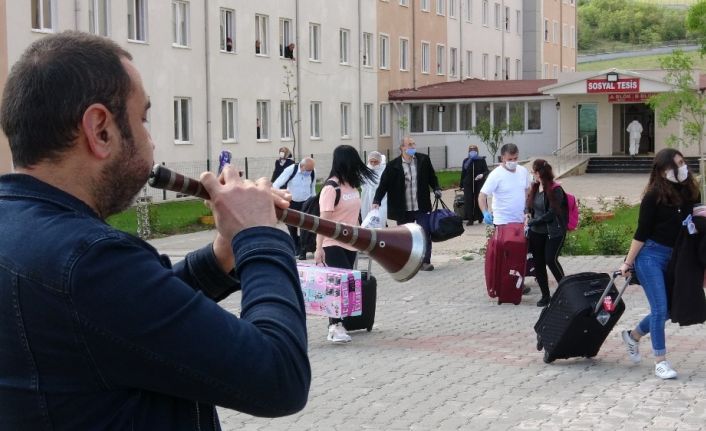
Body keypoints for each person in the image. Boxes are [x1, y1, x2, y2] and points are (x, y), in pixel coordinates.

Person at [0, 32, 310, 429]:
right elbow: (279, 376)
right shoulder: (87, 260)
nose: (150, 142)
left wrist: (220, 257)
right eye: (142, 119)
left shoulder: (28, 236)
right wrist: (261, 237)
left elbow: (125, 319)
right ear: (100, 129)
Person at [619, 148, 700, 380]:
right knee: (660, 308)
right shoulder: (653, 195)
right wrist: (628, 262)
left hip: (677, 257)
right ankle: (660, 362)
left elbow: (699, 222)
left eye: (683, 162)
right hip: (650, 256)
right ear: (664, 171)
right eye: (677, 165)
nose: (682, 167)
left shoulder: (692, 191)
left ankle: (632, 336)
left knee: (669, 309)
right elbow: (641, 233)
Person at [314, 145, 376, 343]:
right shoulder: (330, 189)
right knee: (338, 287)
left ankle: (344, 322)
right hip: (333, 244)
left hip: (352, 243)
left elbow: (355, 217)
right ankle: (334, 326)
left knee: (348, 286)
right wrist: (318, 249)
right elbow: (323, 223)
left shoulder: (351, 186)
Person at [373, 136, 443, 271]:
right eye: (409, 145)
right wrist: (377, 200)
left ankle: (425, 262)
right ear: (402, 148)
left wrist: (436, 188)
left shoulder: (423, 160)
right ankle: (407, 262)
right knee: (405, 237)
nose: (412, 147)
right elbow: (383, 185)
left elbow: (432, 177)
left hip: (421, 205)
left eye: (413, 144)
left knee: (424, 233)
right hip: (403, 208)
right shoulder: (393, 165)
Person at [478, 143, 531, 293]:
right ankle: (503, 282)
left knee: (519, 253)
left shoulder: (522, 171)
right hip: (502, 221)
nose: (513, 161)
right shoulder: (496, 174)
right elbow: (482, 196)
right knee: (505, 254)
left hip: (519, 220)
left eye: (516, 158)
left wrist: (528, 208)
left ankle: (517, 281)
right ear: (502, 158)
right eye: (510, 159)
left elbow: (527, 190)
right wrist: (485, 212)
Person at [525, 159, 568, 307]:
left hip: (554, 232)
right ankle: (545, 296)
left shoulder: (555, 189)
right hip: (536, 232)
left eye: (534, 171)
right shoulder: (535, 187)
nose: (533, 174)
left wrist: (535, 221)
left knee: (550, 259)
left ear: (539, 173)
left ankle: (567, 290)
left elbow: (552, 213)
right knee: (538, 263)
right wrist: (528, 214)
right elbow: (529, 205)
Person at [273, 157, 317, 259]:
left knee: (305, 227)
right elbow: (276, 184)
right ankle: (296, 245)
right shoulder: (290, 170)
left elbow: (313, 185)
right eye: (308, 170)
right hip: (292, 202)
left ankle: (303, 250)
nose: (310, 172)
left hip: (306, 201)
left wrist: (313, 200)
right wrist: (279, 198)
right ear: (302, 167)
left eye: (311, 170)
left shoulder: (312, 171)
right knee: (291, 226)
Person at [459, 144, 489, 226]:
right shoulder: (466, 161)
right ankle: (470, 219)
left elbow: (486, 171)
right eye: (471, 150)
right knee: (468, 200)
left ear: (477, 151)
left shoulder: (481, 160)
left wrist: (482, 175)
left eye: (474, 150)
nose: (472, 152)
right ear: (469, 152)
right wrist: (461, 185)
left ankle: (480, 217)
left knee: (479, 199)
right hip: (468, 183)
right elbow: (463, 173)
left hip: (479, 182)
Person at [360, 151, 388, 228]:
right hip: (366, 199)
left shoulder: (384, 171)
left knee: (380, 219)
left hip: (381, 200)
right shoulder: (365, 171)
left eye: (375, 162)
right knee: (367, 220)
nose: (373, 164)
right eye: (371, 161)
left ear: (379, 161)